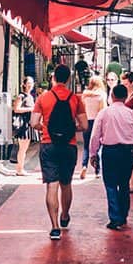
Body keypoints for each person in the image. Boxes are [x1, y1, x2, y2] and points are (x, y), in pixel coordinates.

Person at [31, 64, 87, 240]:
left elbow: (33, 123)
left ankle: (55, 227)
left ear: (53, 78)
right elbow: (84, 126)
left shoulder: (43, 97)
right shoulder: (75, 99)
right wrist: (70, 129)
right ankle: (64, 216)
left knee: (52, 185)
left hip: (48, 144)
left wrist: (45, 128)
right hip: (68, 146)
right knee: (66, 184)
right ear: (69, 79)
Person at [89, 84, 133, 230]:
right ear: (125, 97)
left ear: (112, 97)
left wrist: (93, 154)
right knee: (124, 184)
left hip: (110, 152)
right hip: (127, 152)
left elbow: (95, 136)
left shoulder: (104, 113)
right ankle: (123, 215)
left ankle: (115, 218)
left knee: (111, 185)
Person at [80, 74, 107, 179]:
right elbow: (103, 110)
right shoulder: (102, 95)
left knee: (86, 146)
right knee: (98, 147)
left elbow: (82, 109)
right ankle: (97, 171)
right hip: (97, 122)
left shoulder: (85, 95)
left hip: (87, 121)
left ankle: (84, 166)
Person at [12, 76, 35, 176]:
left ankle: (20, 168)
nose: (30, 85)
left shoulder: (30, 96)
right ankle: (19, 169)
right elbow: (16, 109)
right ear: (24, 84)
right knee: (22, 148)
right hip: (23, 125)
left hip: (27, 124)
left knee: (24, 148)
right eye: (28, 83)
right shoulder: (21, 96)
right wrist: (30, 109)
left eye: (32, 83)